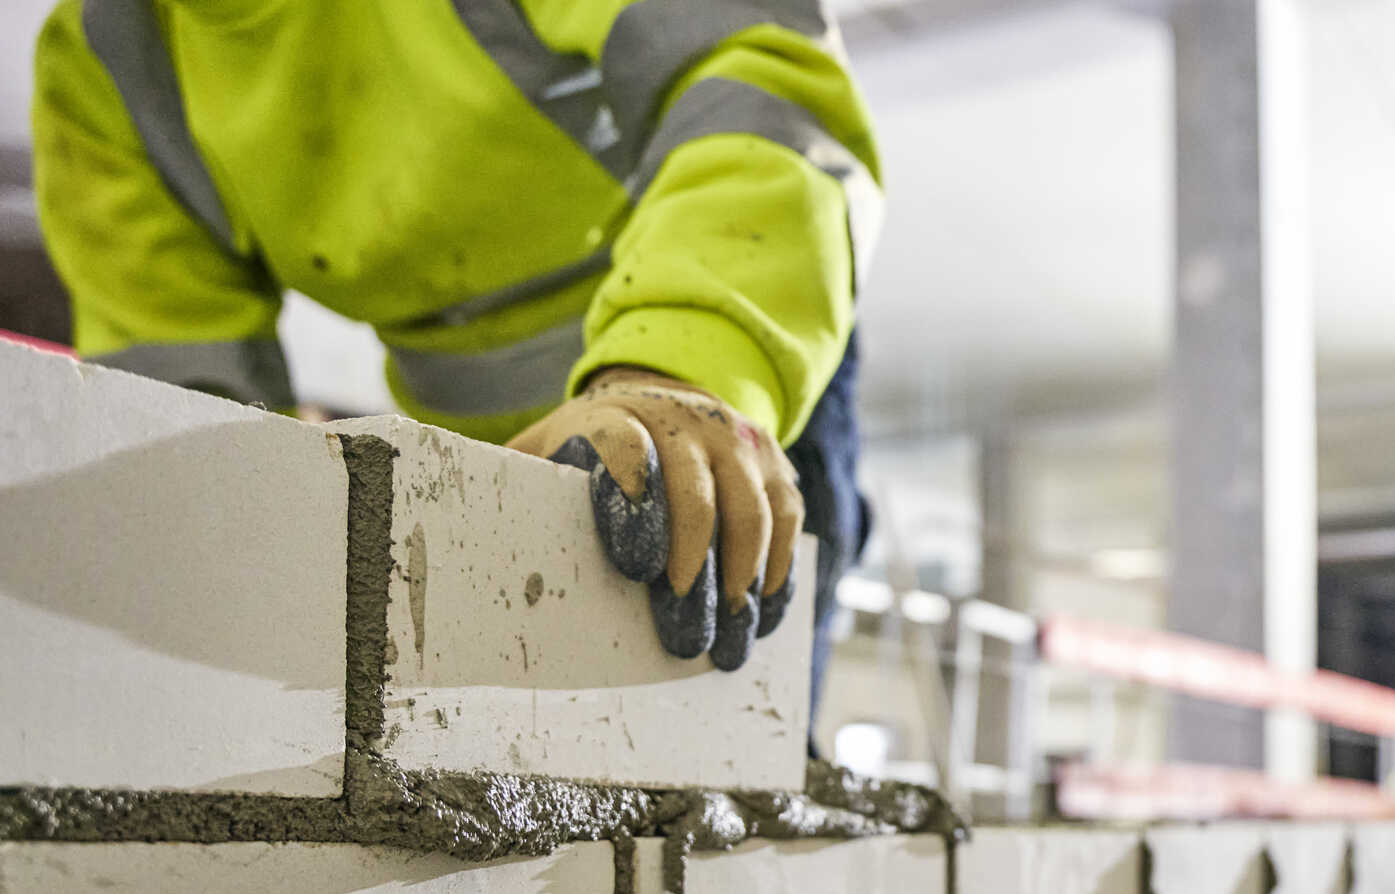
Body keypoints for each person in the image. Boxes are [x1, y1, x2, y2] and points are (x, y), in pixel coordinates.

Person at [32, 0, 880, 715]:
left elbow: (758, 86)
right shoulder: (106, 57)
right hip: (484, 443)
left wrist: (677, 374)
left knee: (723, 766)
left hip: (724, 358)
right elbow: (187, 413)